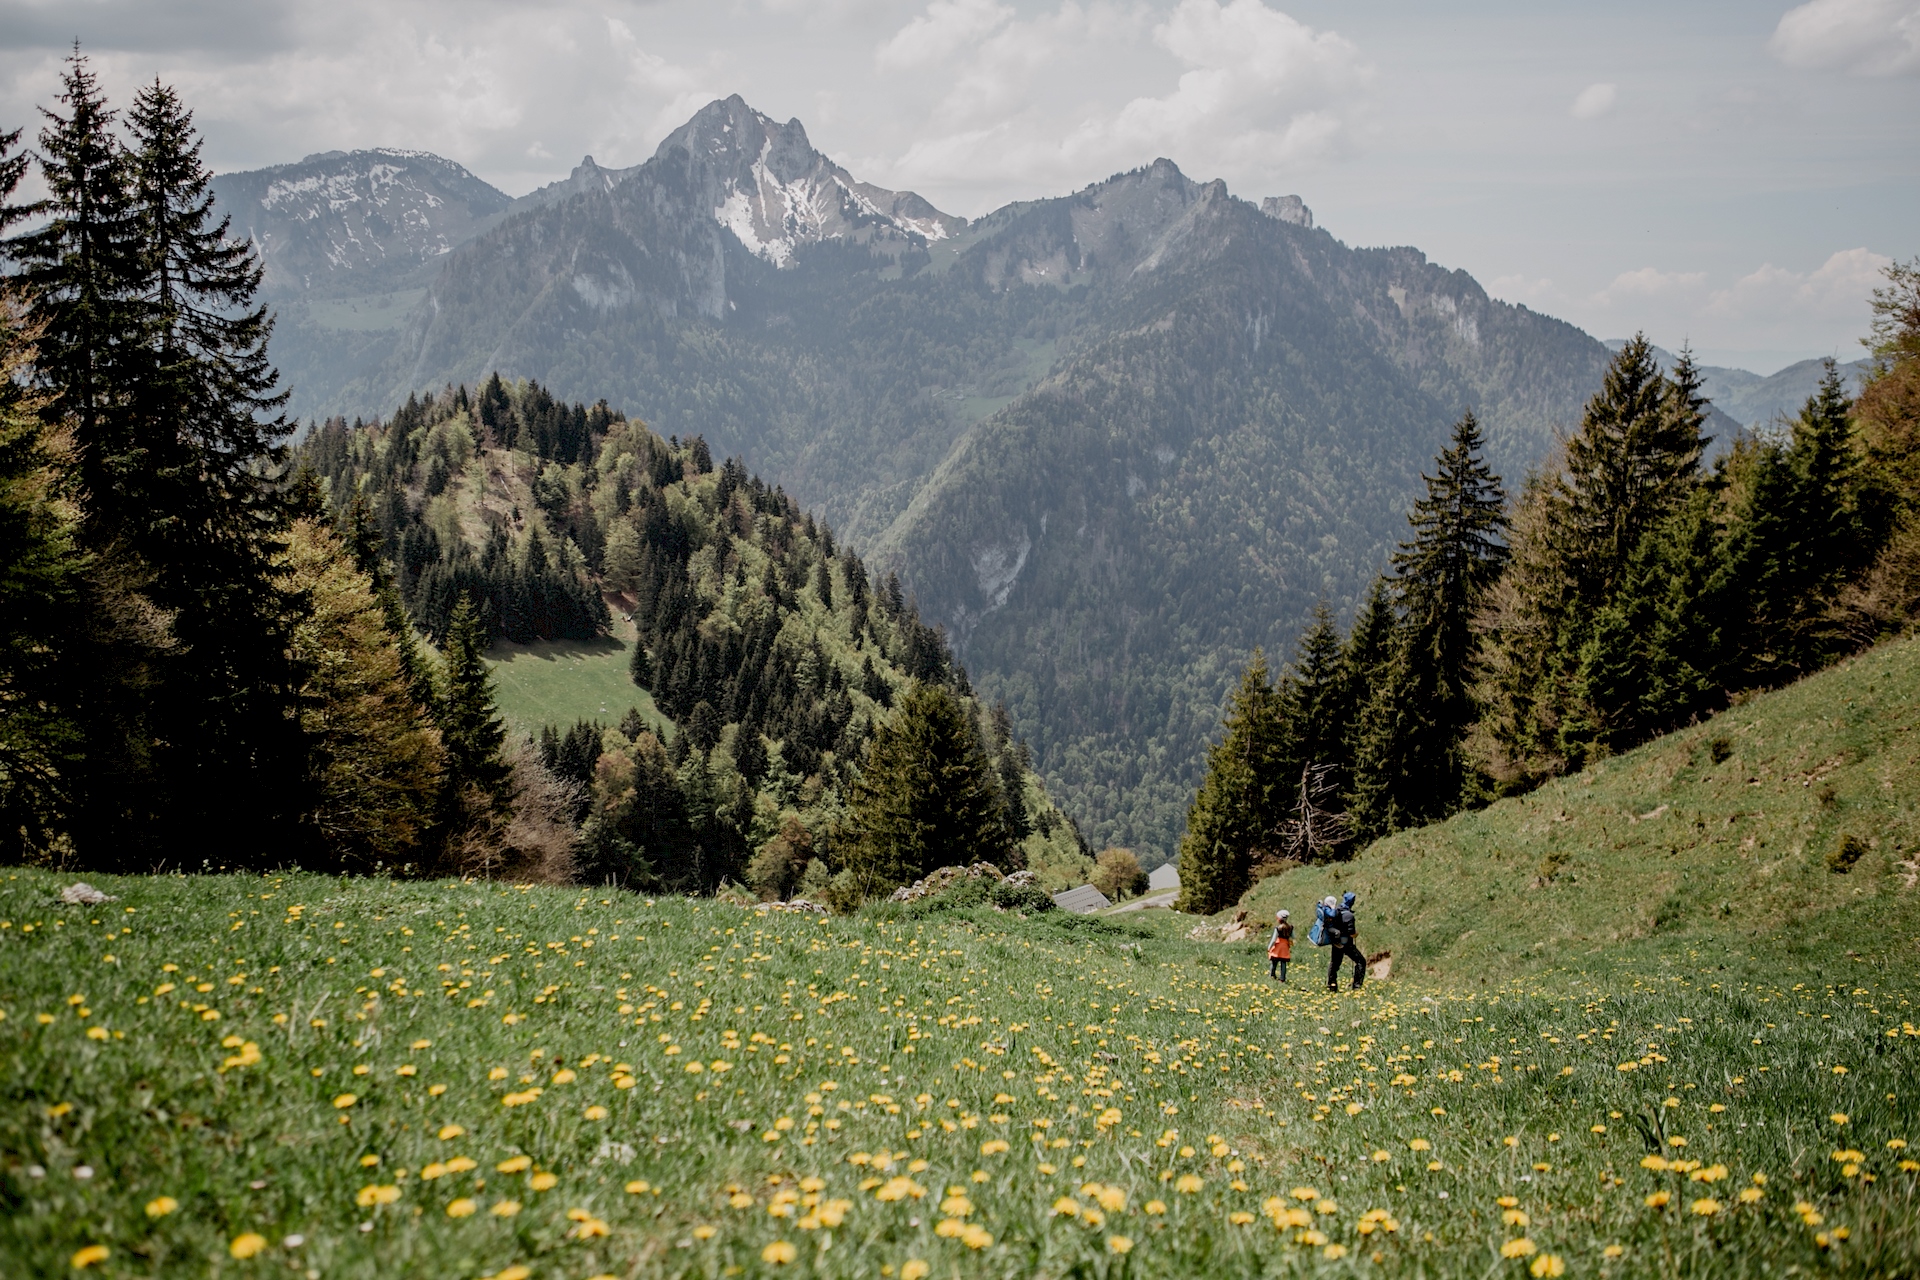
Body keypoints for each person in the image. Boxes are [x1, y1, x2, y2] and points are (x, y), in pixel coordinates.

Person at [1325, 890, 1366, 991]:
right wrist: (1356, 934)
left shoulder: (1335, 911)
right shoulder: (1349, 915)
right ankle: (1356, 986)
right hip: (1346, 943)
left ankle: (1332, 986)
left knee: (1334, 964)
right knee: (1361, 961)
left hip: (1336, 942)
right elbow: (1351, 933)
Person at [1267, 910, 1293, 981]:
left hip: (1278, 947)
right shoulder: (1290, 927)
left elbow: (1273, 939)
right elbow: (1292, 936)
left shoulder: (1278, 928)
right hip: (1285, 947)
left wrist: (1269, 947)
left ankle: (1272, 975)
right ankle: (1282, 978)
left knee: (1274, 961)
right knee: (1283, 962)